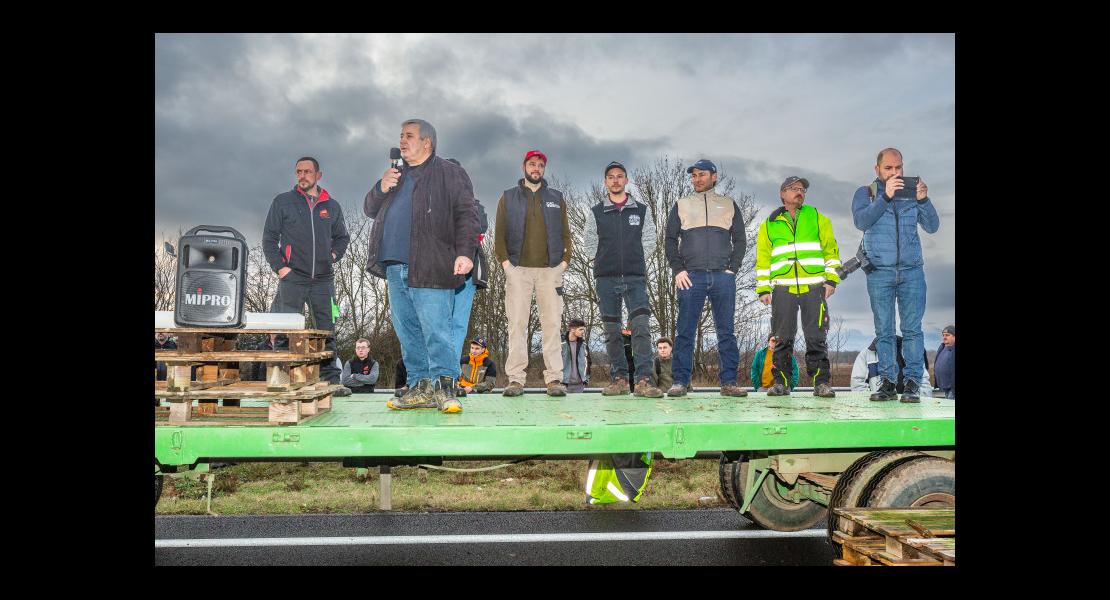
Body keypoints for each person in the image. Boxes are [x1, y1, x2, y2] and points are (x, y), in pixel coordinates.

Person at [364, 119, 480, 413]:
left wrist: (465, 252)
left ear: (427, 142)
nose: (402, 141)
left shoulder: (449, 172)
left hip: (430, 262)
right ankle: (419, 386)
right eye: (401, 135)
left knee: (437, 330)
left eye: (409, 136)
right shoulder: (396, 175)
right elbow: (369, 208)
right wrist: (381, 186)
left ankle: (445, 387)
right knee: (408, 332)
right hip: (394, 265)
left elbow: (467, 214)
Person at [851, 147, 940, 403]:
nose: (894, 172)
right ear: (877, 169)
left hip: (912, 271)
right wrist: (885, 197)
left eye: (898, 167)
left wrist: (924, 199)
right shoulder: (866, 193)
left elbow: (932, 226)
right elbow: (861, 221)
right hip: (880, 272)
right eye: (888, 168)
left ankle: (912, 382)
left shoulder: (912, 193)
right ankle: (888, 382)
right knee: (884, 330)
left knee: (912, 329)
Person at [263, 156, 352, 396]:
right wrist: (281, 268)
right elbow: (269, 239)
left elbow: (342, 237)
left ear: (318, 175)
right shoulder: (283, 202)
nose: (302, 176)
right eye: (298, 172)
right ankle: (281, 379)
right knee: (286, 329)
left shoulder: (331, 206)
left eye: (307, 172)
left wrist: (333, 255)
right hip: (293, 277)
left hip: (324, 279)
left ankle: (332, 382)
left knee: (327, 331)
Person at [664, 159, 747, 397]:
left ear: (714, 176)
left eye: (701, 174)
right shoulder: (681, 204)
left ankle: (729, 382)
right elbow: (669, 240)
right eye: (694, 175)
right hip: (691, 277)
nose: (696, 179)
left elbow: (740, 239)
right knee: (684, 332)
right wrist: (678, 269)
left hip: (723, 277)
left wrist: (733, 269)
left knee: (726, 332)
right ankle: (680, 381)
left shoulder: (729, 204)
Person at [494, 149, 572, 397]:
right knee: (517, 324)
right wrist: (507, 265)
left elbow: (566, 235)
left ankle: (554, 379)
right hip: (518, 270)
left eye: (540, 165)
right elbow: (499, 237)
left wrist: (564, 263)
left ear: (544, 169)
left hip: (550, 271)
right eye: (531, 164)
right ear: (524, 167)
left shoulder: (556, 198)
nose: (536, 168)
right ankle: (516, 379)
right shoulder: (508, 197)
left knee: (551, 324)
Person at [755, 176, 842, 398]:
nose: (799, 192)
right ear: (782, 194)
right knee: (782, 337)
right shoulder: (768, 225)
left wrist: (831, 280)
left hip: (814, 287)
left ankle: (821, 383)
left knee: (816, 336)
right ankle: (781, 383)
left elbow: (831, 251)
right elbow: (763, 259)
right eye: (794, 188)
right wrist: (763, 288)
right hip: (783, 289)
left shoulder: (817, 218)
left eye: (802, 189)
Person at [581, 161, 662, 397]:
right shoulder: (597, 212)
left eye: (620, 176)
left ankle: (644, 380)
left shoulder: (641, 210)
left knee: (641, 328)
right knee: (611, 331)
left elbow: (649, 239)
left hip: (635, 277)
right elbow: (588, 242)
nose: (615, 180)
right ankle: (619, 379)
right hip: (606, 278)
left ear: (626, 180)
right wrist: (604, 259)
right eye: (611, 177)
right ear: (605, 182)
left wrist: (633, 259)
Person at [446, 158, 491, 357]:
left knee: (458, 322)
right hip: (437, 272)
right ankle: (433, 371)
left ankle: (450, 369)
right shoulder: (428, 202)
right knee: (436, 323)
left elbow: (479, 226)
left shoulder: (475, 206)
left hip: (467, 274)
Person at [851, 335, 933, 400]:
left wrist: (917, 403)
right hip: (879, 408)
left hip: (909, 406)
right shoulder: (867, 354)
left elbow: (924, 383)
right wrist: (873, 403)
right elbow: (857, 383)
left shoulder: (912, 354)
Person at [561, 318, 592, 393]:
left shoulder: (583, 345)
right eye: (581, 329)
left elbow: (588, 362)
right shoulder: (560, 344)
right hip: (563, 384)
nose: (583, 332)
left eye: (584, 330)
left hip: (580, 385)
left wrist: (586, 378)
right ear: (572, 329)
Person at [932, 325, 955, 399]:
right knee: (943, 409)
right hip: (942, 389)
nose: (944, 337)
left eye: (947, 335)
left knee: (951, 410)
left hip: (952, 390)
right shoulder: (941, 347)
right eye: (943, 335)